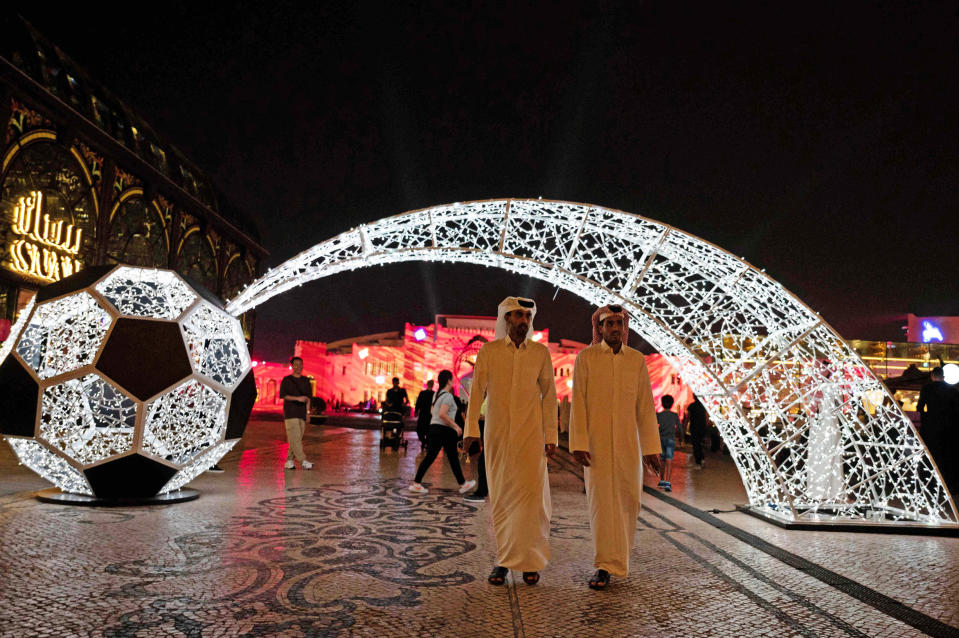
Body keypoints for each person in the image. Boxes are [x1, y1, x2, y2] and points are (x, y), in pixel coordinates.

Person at [463, 296, 558, 587]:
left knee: (530, 501)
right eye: (517, 316)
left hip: (531, 437)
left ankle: (530, 561)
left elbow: (550, 396)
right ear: (506, 319)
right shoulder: (489, 352)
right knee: (502, 499)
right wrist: (470, 431)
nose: (523, 321)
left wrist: (551, 436)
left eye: (527, 316)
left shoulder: (540, 353)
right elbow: (477, 391)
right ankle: (504, 561)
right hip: (498, 436)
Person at [569, 304, 661, 590]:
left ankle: (619, 559)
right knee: (602, 505)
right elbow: (578, 403)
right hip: (596, 446)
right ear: (600, 328)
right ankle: (604, 565)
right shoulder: (586, 358)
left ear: (624, 327)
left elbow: (645, 407)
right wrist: (578, 442)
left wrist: (650, 448)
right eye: (609, 324)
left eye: (619, 324)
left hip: (627, 445)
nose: (615, 329)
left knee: (628, 501)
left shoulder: (636, 360)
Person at [409, 370, 477, 495]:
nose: (453, 381)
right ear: (448, 381)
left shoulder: (437, 395)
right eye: (452, 379)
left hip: (435, 428)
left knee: (441, 457)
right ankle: (462, 484)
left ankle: (417, 483)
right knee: (448, 457)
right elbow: (442, 414)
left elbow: (433, 412)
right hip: (443, 430)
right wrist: (456, 426)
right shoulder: (448, 396)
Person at [918, 366, 959, 491]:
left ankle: (930, 484)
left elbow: (920, 407)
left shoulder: (926, 389)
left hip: (931, 428)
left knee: (931, 456)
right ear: (944, 377)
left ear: (932, 376)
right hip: (949, 429)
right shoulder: (952, 390)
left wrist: (927, 418)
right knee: (948, 456)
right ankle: (949, 485)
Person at [280, 356, 313, 470]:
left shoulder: (306, 380)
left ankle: (289, 461)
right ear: (292, 366)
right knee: (295, 437)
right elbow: (284, 395)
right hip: (290, 413)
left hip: (302, 413)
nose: (298, 366)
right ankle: (302, 460)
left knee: (296, 439)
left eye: (300, 364)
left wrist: (308, 412)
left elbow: (309, 398)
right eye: (296, 364)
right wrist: (297, 398)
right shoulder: (287, 380)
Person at [656, 394, 680, 492]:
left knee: (662, 460)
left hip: (661, 439)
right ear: (672, 404)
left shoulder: (659, 415)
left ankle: (661, 480)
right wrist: (681, 438)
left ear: (662, 404)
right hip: (670, 439)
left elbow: (654, 427)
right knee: (669, 460)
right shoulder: (674, 415)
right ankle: (668, 482)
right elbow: (679, 428)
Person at [686, 394, 708, 469]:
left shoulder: (691, 406)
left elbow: (688, 417)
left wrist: (685, 426)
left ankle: (698, 463)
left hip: (694, 427)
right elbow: (706, 417)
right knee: (699, 445)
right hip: (702, 427)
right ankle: (702, 460)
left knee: (696, 445)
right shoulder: (703, 406)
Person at [413, 380, 435, 447]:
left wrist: (416, 411)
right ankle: (425, 442)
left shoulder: (425, 393)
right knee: (423, 429)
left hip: (427, 414)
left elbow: (418, 402)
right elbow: (418, 402)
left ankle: (425, 442)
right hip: (426, 414)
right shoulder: (432, 394)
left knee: (425, 429)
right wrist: (416, 410)